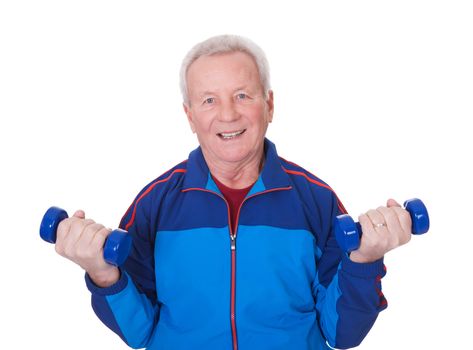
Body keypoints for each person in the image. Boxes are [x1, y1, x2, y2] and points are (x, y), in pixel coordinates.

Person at [54, 35, 413, 350]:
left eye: (242, 95)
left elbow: (342, 333)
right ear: (190, 116)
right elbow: (139, 332)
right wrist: (103, 273)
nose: (227, 114)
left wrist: (363, 261)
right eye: (208, 100)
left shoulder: (315, 200)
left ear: (269, 105)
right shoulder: (155, 205)